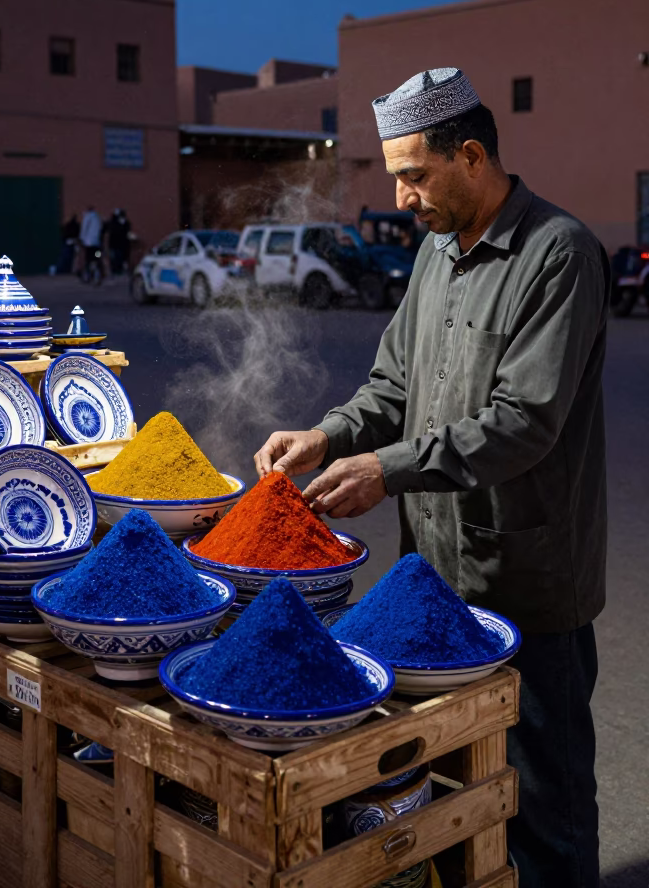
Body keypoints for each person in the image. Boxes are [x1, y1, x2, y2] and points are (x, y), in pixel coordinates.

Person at [255, 67, 608, 888]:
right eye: (396, 178)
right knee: (457, 795)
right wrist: (327, 436)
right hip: (435, 581)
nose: (404, 198)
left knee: (545, 807)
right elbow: (392, 388)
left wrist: (387, 469)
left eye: (415, 175)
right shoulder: (435, 257)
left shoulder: (560, 254)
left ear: (473, 155)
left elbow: (524, 422)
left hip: (528, 586)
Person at [79, 205, 104, 278]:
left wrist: (82, 239)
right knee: (97, 256)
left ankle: (89, 274)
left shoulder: (87, 217)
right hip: (97, 243)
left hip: (88, 243)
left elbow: (84, 229)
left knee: (88, 259)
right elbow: (101, 229)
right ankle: (100, 270)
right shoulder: (98, 217)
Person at [107, 208, 132, 274]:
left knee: (117, 258)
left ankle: (117, 270)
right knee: (116, 258)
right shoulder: (116, 223)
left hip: (117, 244)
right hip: (117, 244)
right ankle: (116, 270)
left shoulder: (121, 223)